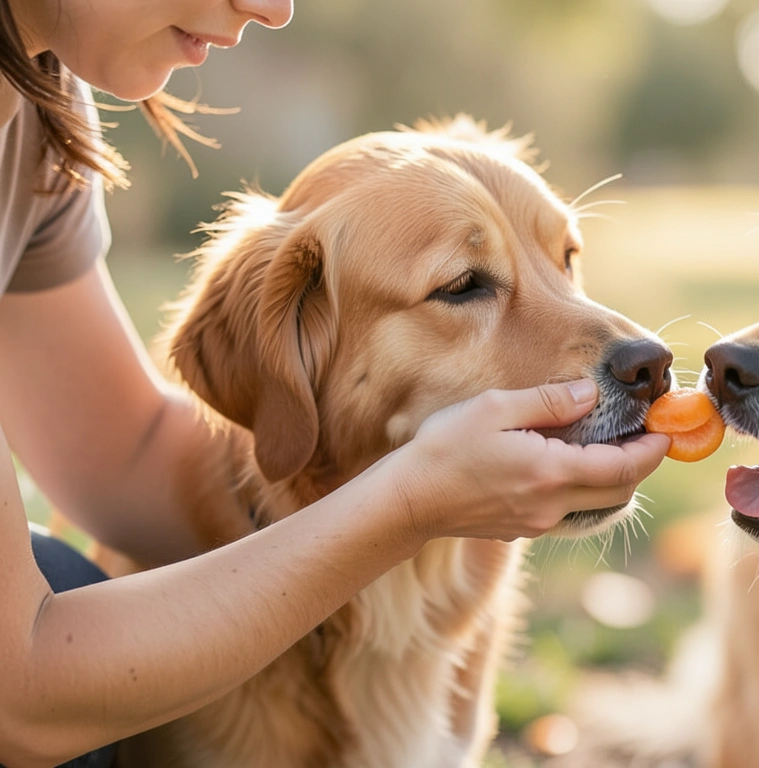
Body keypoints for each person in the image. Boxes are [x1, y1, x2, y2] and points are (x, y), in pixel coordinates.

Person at [0, 2, 672, 766]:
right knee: (64, 585)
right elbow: (17, 697)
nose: (274, 7)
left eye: (564, 259)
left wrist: (441, 527)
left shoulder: (38, 110)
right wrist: (410, 506)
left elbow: (125, 454)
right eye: (464, 285)